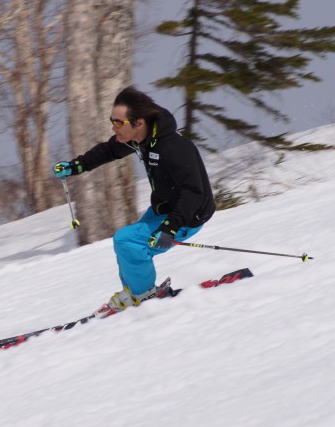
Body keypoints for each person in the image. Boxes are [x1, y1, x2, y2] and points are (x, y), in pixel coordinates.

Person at [53, 86, 215, 316]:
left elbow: (194, 192)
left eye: (119, 123)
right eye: (112, 121)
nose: (113, 127)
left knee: (127, 242)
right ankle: (135, 292)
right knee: (128, 247)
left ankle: (144, 296)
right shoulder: (143, 139)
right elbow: (109, 150)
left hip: (188, 215)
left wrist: (170, 228)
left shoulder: (175, 148)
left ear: (139, 122)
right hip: (163, 209)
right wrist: (76, 166)